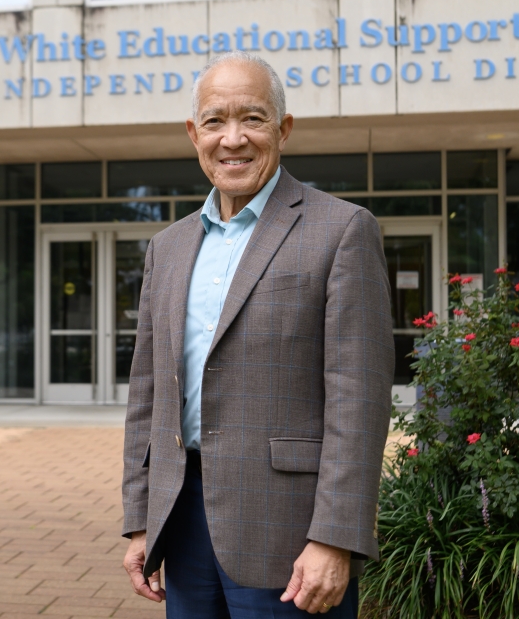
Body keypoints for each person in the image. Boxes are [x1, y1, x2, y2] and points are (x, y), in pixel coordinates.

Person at [121, 51, 394, 618]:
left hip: (290, 532)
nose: (233, 139)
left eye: (253, 118)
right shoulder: (166, 249)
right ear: (194, 134)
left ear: (284, 129)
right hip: (183, 521)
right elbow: (148, 393)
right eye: (216, 121)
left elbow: (358, 400)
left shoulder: (341, 230)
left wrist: (334, 537)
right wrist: (140, 518)